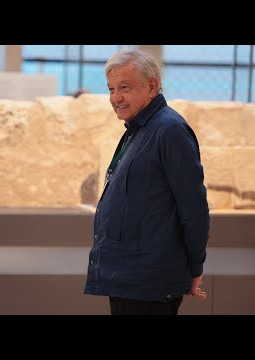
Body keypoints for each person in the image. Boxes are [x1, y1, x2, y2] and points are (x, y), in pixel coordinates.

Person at [84, 48, 210, 315]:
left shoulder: (169, 130)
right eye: (110, 89)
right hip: (129, 279)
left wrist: (195, 266)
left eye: (125, 87)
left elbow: (194, 208)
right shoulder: (140, 129)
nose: (116, 98)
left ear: (151, 85)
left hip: (148, 284)